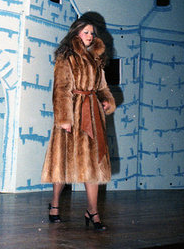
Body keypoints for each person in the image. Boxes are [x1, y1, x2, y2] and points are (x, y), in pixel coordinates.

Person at [41, 17, 116, 230]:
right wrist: (64, 119)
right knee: (63, 163)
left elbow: (102, 86)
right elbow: (61, 89)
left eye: (92, 33)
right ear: (76, 33)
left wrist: (106, 101)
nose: (90, 36)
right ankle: (55, 204)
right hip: (72, 114)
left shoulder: (96, 58)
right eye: (86, 32)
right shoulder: (66, 56)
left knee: (93, 165)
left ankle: (93, 211)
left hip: (92, 115)